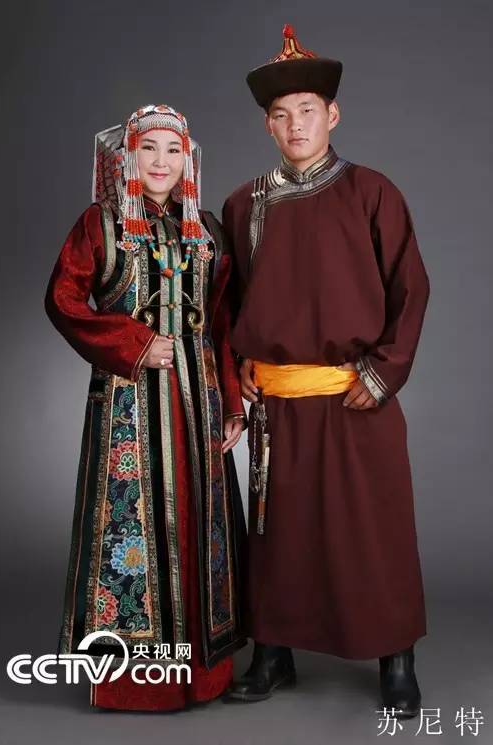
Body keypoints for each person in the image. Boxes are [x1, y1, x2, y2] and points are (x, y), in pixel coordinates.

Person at [222, 26, 430, 718]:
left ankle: (395, 656)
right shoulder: (244, 205)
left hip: (353, 393)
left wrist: (383, 372)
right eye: (281, 115)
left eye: (307, 110)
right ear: (267, 125)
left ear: (332, 114)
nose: (295, 125)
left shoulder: (372, 193)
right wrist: (238, 367)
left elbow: (410, 288)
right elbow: (230, 302)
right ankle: (272, 652)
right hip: (277, 403)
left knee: (371, 530)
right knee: (277, 536)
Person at [45, 104, 247, 711]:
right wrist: (133, 344)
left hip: (199, 399)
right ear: (127, 156)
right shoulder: (100, 224)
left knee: (200, 521)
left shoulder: (206, 229)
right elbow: (63, 299)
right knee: (134, 525)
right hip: (129, 404)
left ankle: (206, 673)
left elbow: (223, 322)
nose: (162, 161)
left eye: (173, 149)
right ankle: (135, 683)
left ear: (189, 159)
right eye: (149, 148)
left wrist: (232, 401)